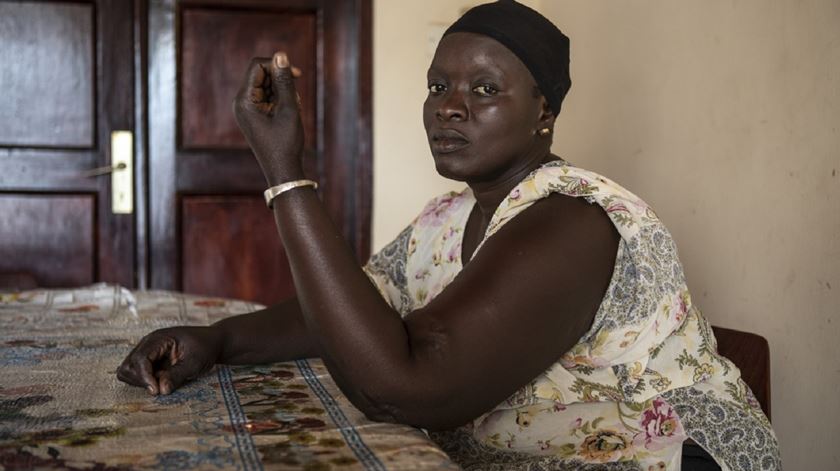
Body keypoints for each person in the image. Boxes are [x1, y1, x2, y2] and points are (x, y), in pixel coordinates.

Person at [118, 2, 780, 469]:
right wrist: (218, 339)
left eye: (485, 88)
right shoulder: (444, 218)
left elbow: (400, 387)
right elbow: (355, 310)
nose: (450, 105)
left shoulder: (575, 221)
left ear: (544, 111)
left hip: (663, 459)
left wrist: (286, 176)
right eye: (439, 85)